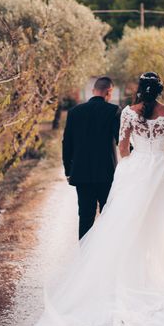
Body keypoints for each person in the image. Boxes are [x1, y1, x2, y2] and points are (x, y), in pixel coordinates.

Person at [22, 72, 164, 326]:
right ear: (159, 90)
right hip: (160, 171)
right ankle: (150, 272)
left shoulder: (128, 111)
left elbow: (123, 146)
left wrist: (136, 162)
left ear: (140, 89)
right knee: (158, 222)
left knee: (119, 220)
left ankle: (98, 264)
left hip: (138, 168)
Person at [62, 76, 121, 239]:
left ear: (93, 90)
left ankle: (84, 259)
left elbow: (67, 144)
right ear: (109, 92)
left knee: (85, 218)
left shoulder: (74, 112)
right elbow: (120, 140)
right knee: (107, 216)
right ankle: (105, 255)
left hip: (82, 174)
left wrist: (68, 170)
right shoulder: (114, 111)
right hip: (106, 174)